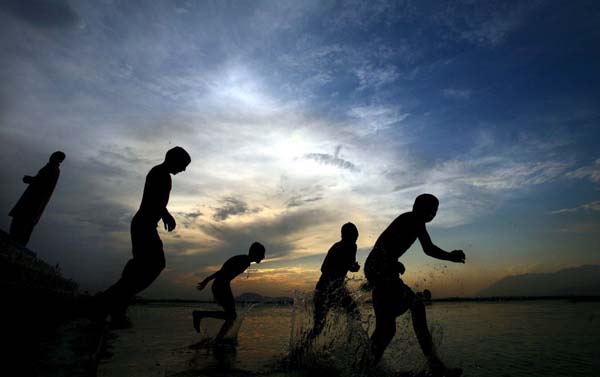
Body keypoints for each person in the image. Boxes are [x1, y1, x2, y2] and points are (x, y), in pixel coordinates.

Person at [364, 194, 465, 375]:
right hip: (379, 268)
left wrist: (450, 256)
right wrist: (390, 262)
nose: (433, 214)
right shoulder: (409, 219)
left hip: (381, 268)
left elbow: (428, 248)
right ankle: (434, 365)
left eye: (435, 211)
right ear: (418, 207)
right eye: (431, 210)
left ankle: (365, 366)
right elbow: (382, 245)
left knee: (387, 328)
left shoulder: (418, 223)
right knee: (415, 307)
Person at [97, 146, 191, 327]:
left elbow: (156, 199)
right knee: (155, 264)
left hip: (146, 225)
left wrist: (164, 213)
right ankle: (109, 301)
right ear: (174, 160)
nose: (184, 170)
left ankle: (116, 306)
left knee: (139, 266)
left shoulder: (163, 174)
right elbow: (153, 197)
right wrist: (165, 214)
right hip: (143, 225)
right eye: (183, 165)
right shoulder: (160, 173)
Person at [193, 242, 266, 341]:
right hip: (220, 286)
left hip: (223, 285)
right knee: (231, 316)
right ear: (256, 254)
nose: (263, 257)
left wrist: (207, 281)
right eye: (262, 254)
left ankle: (218, 339)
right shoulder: (243, 261)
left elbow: (223, 272)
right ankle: (200, 316)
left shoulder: (244, 260)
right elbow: (222, 272)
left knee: (231, 316)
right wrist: (206, 280)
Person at [309, 222, 361, 339]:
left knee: (354, 313)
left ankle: (352, 343)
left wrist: (353, 267)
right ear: (344, 236)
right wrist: (343, 266)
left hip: (338, 289)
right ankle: (299, 352)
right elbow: (324, 268)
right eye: (352, 238)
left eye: (355, 239)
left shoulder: (353, 247)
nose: (353, 241)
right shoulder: (336, 248)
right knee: (318, 327)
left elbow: (350, 264)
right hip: (324, 288)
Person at [8, 151, 65, 246]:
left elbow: (42, 184)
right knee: (22, 227)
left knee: (20, 227)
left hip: (31, 204)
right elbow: (41, 182)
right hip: (33, 204)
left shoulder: (52, 169)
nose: (50, 156)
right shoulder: (52, 168)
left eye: (53, 155)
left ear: (58, 159)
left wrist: (30, 180)